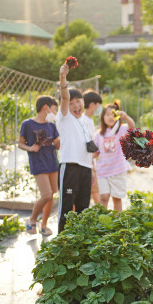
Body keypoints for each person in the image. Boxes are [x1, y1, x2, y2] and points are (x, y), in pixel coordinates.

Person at [56, 63, 93, 233]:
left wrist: (92, 170)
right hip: (69, 167)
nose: (76, 106)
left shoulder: (85, 122)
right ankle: (62, 244)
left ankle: (79, 244)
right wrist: (63, 78)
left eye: (78, 101)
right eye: (72, 103)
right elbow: (64, 97)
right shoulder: (65, 117)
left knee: (83, 209)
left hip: (85, 169)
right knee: (65, 208)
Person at [18, 95, 60, 236]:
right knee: (46, 194)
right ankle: (32, 220)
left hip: (52, 163)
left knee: (51, 195)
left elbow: (58, 145)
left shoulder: (52, 125)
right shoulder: (28, 124)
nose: (55, 112)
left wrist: (62, 134)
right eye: (55, 109)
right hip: (38, 163)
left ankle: (44, 225)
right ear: (46, 107)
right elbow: (20, 143)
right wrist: (30, 148)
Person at [92, 102, 135, 211]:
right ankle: (102, 222)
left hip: (118, 170)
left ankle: (117, 222)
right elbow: (95, 152)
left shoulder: (121, 130)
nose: (111, 117)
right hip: (103, 171)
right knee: (104, 197)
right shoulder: (99, 134)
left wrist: (125, 116)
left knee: (117, 198)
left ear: (118, 117)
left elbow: (132, 126)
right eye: (107, 115)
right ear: (103, 117)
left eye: (113, 114)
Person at [82, 90, 102, 205]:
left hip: (90, 160)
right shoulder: (85, 121)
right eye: (98, 105)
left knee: (93, 191)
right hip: (88, 162)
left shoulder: (89, 120)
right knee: (94, 191)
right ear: (92, 105)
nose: (99, 107)